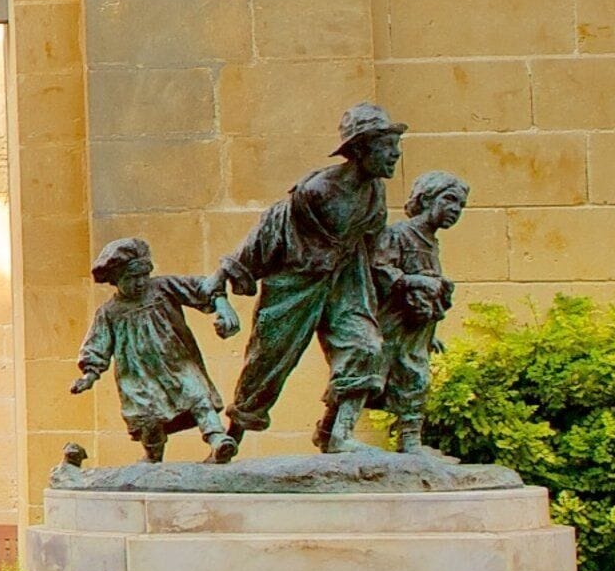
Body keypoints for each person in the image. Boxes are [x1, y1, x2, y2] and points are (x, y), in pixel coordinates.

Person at [219, 103, 404, 456]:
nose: (395, 154)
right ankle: (230, 438)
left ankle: (336, 433)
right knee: (268, 362)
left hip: (346, 279)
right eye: (387, 146)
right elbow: (270, 229)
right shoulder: (315, 191)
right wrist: (227, 273)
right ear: (361, 148)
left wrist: (395, 282)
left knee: (364, 346)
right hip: (297, 283)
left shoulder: (376, 191)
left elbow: (375, 245)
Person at [71, 234, 240, 461]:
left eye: (143, 275)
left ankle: (217, 438)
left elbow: (200, 287)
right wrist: (89, 375)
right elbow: (97, 345)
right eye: (132, 277)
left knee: (197, 394)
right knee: (147, 417)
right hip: (137, 376)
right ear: (116, 278)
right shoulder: (109, 312)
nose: (140, 282)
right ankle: (152, 456)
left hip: (176, 362)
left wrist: (221, 305)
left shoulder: (163, 288)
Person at [367, 170, 467, 456]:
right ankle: (331, 431)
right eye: (449, 200)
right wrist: (416, 281)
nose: (455, 210)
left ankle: (410, 442)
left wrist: (430, 334)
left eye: (460, 205)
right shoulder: (398, 233)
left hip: (416, 330)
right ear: (425, 198)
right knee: (368, 380)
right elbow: (381, 270)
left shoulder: (431, 242)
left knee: (416, 379)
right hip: (390, 326)